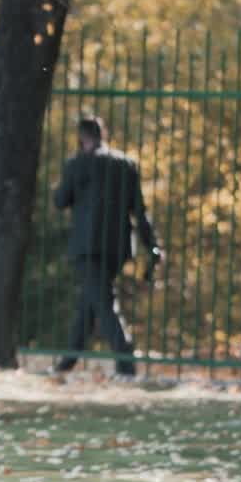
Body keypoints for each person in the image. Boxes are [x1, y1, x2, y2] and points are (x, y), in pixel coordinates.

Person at [53, 114, 162, 377]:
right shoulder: (125, 164)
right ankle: (68, 361)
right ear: (103, 134)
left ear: (81, 137)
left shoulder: (76, 164)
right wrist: (152, 245)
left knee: (103, 303)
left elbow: (60, 200)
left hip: (87, 247)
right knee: (90, 302)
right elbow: (139, 210)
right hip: (117, 248)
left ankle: (125, 361)